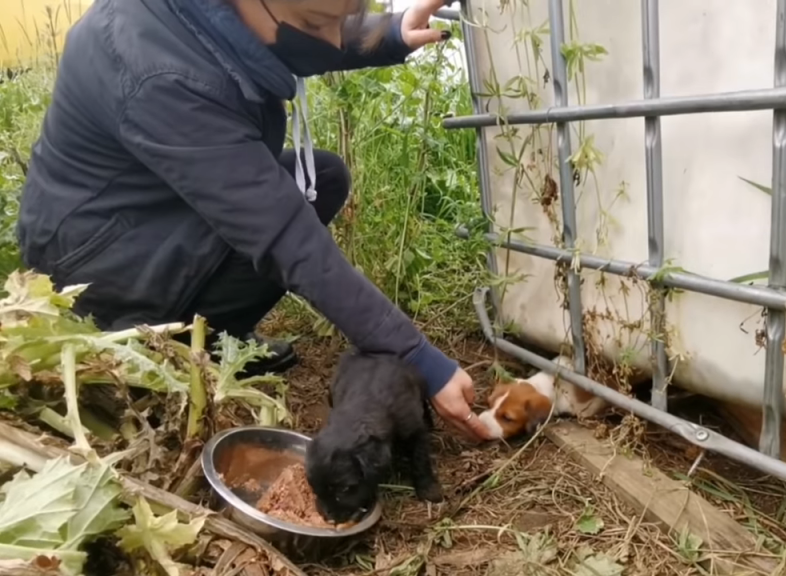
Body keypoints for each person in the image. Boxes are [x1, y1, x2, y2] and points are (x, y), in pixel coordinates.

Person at [15, 0, 491, 441]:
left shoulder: (211, 18)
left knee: (319, 179)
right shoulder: (155, 67)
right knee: (283, 221)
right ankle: (146, 350)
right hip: (95, 264)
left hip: (146, 214)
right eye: (312, 24)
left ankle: (220, 340)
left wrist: (388, 33)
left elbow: (286, 32)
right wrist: (416, 355)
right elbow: (283, 234)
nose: (330, 40)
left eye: (338, 20)